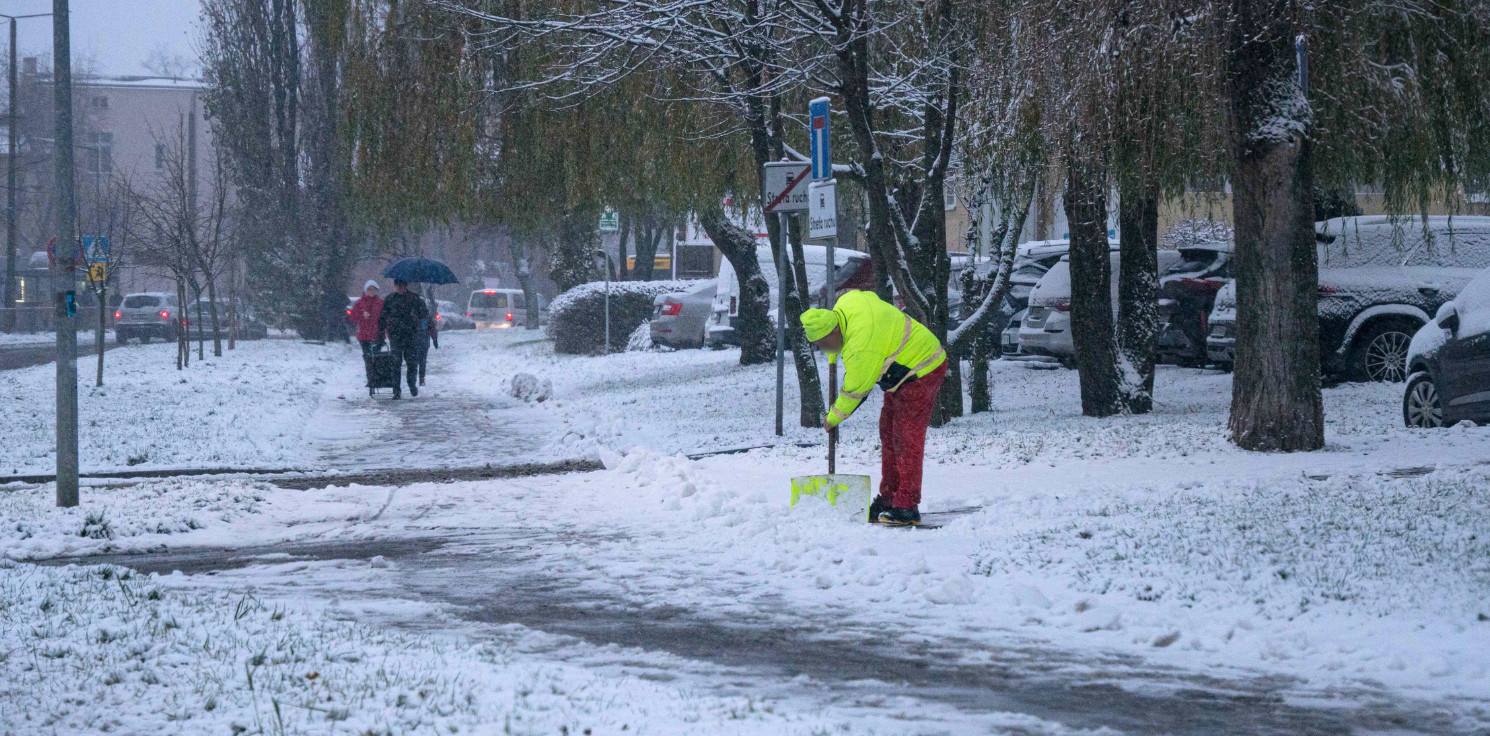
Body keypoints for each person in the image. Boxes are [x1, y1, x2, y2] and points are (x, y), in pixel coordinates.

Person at [800, 290, 947, 526]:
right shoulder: (846, 303)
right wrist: (832, 353)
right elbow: (865, 295)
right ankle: (889, 499)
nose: (824, 349)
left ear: (834, 330)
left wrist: (832, 418)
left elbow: (855, 391)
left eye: (824, 344)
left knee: (905, 437)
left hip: (923, 366)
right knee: (888, 433)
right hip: (901, 372)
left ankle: (907, 505)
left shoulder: (861, 347)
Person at [378, 279, 429, 399]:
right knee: (395, 364)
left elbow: (424, 314)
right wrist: (381, 331)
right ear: (395, 287)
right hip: (396, 336)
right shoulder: (390, 299)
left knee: (411, 364)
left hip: (411, 336)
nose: (400, 288)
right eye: (397, 286)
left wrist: (422, 326)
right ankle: (396, 391)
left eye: (402, 286)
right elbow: (383, 316)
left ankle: (411, 384)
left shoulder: (414, 299)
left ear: (406, 286)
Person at [349, 280, 384, 392]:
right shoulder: (359, 303)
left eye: (373, 289)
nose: (371, 291)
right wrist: (361, 315)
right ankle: (370, 378)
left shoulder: (380, 302)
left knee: (377, 357)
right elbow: (353, 318)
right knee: (368, 358)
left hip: (377, 334)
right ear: (365, 290)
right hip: (364, 335)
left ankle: (377, 377)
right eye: (369, 289)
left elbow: (385, 317)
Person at [413, 294, 439, 386]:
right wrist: (434, 339)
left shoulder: (425, 317)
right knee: (420, 361)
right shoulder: (425, 317)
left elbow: (432, 328)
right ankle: (419, 378)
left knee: (418, 361)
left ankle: (419, 378)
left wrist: (435, 339)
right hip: (419, 342)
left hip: (420, 342)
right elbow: (432, 329)